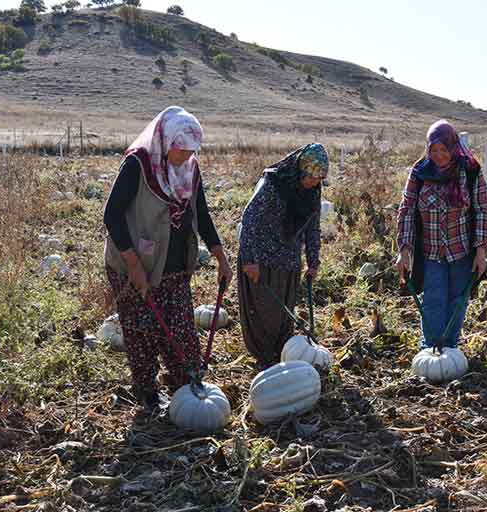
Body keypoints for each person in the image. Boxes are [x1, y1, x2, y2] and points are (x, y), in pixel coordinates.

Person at [103, 106, 232, 409]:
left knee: (182, 330)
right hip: (135, 263)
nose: (186, 158)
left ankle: (184, 389)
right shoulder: (139, 164)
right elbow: (112, 216)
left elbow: (201, 211)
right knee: (142, 332)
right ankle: (147, 393)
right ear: (165, 142)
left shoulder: (190, 168)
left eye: (191, 152)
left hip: (174, 264)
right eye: (180, 151)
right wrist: (134, 266)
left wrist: (220, 255)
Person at [395, 120, 487, 349]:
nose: (439, 155)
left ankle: (449, 347)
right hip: (430, 252)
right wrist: (404, 249)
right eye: (433, 150)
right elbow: (407, 209)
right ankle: (430, 348)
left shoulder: (470, 171)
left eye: (444, 149)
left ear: (453, 147)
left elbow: (481, 211)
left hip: (461, 251)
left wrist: (481, 251)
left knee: (458, 301)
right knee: (432, 300)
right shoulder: (420, 172)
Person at [237, 143, 328, 367]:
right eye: (310, 177)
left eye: (319, 179)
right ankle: (264, 358)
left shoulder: (313, 191)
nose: (314, 183)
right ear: (300, 170)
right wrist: (249, 260)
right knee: (263, 313)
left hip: (288, 260)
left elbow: (312, 227)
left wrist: (313, 261)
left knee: (282, 315)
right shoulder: (273, 184)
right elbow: (249, 218)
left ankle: (279, 356)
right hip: (260, 258)